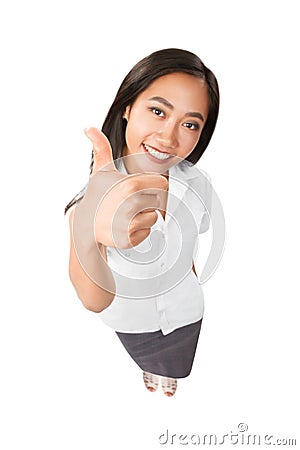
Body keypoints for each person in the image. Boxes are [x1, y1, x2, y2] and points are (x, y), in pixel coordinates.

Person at [65, 48, 219, 397]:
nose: (169, 138)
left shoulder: (198, 183)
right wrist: (88, 230)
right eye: (157, 111)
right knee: (150, 366)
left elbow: (192, 248)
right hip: (133, 322)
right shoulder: (92, 200)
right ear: (127, 107)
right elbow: (93, 299)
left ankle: (168, 374)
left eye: (190, 123)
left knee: (178, 370)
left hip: (187, 312)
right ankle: (150, 371)